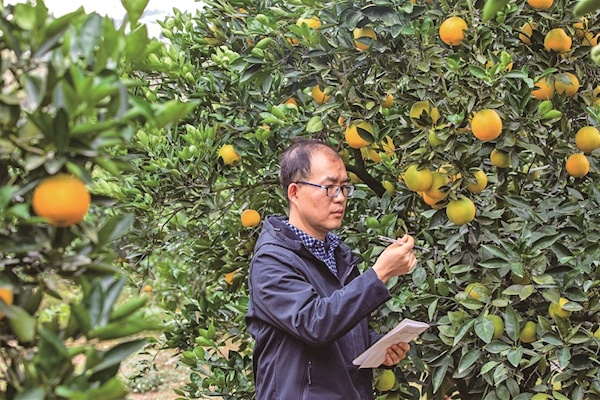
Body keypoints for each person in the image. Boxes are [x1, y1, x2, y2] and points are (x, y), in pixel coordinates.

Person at [246, 139, 418, 399]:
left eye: (344, 187)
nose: (340, 198)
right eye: (329, 188)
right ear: (294, 192)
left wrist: (378, 347)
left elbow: (343, 329)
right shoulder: (271, 261)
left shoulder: (338, 255)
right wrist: (379, 274)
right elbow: (315, 324)